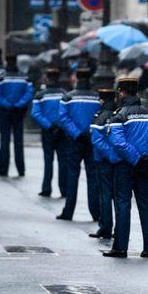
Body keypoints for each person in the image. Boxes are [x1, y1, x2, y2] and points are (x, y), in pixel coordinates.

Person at [104, 78, 148, 258]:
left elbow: (118, 142)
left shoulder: (119, 115)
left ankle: (120, 247)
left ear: (121, 93)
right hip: (145, 167)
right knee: (145, 204)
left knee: (123, 204)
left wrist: (136, 159)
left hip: (125, 165)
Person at [56, 68, 101, 221]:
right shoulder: (97, 98)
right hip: (92, 141)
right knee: (93, 177)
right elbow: (102, 118)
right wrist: (90, 133)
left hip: (73, 141)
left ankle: (68, 211)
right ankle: (95, 212)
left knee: (72, 176)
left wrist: (76, 133)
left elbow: (63, 118)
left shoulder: (68, 97)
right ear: (90, 79)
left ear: (76, 79)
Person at [0, 54, 34, 177]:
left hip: (4, 111)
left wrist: (7, 104)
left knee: (5, 140)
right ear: (15, 62)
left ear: (6, 62)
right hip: (19, 112)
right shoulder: (24, 77)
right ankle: (21, 169)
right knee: (18, 141)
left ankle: (3, 169)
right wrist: (18, 104)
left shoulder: (0, 77)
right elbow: (29, 93)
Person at [31, 68, 67, 197]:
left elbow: (35, 113)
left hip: (47, 131)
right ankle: (64, 189)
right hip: (62, 131)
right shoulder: (64, 94)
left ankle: (46, 188)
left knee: (48, 160)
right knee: (63, 161)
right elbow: (67, 113)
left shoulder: (40, 95)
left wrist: (49, 126)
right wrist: (60, 126)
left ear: (47, 78)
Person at [90, 88, 119, 240]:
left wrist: (108, 154)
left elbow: (96, 140)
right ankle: (120, 229)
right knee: (119, 196)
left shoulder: (99, 117)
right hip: (118, 160)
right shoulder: (119, 115)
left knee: (105, 195)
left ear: (101, 100)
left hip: (103, 160)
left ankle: (105, 227)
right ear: (114, 100)